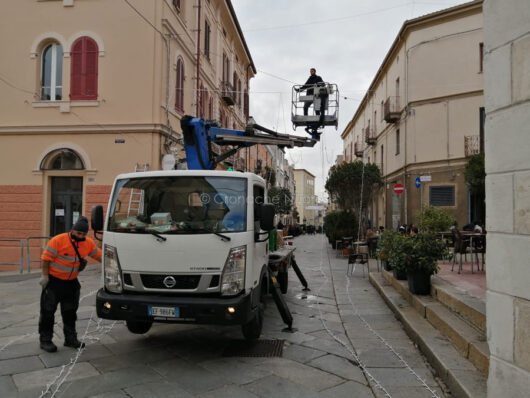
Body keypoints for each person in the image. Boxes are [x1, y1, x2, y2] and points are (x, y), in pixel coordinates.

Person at [38, 216, 102, 353]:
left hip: (71, 283)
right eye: (79, 233)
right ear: (73, 230)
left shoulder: (88, 243)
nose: (81, 236)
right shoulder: (58, 240)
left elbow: (99, 256)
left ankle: (70, 339)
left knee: (70, 313)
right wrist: (44, 276)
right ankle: (45, 340)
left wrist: (112, 263)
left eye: (84, 234)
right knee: (48, 312)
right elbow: (45, 259)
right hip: (54, 282)